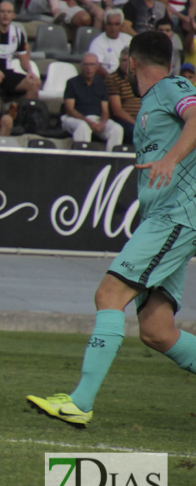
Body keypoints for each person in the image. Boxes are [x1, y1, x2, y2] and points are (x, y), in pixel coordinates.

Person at [27, 31, 196, 427]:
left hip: (175, 216)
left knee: (109, 293)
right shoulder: (156, 100)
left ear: (130, 63)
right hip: (165, 219)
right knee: (156, 330)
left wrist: (170, 159)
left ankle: (80, 401)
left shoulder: (174, 87)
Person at [59, 52, 125, 150]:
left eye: (92, 64)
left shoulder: (102, 84)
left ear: (97, 66)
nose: (89, 68)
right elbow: (69, 109)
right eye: (86, 64)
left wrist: (103, 122)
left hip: (96, 119)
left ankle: (111, 159)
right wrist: (89, 122)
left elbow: (105, 110)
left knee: (117, 129)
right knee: (83, 126)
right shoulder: (72, 83)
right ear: (81, 66)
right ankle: (82, 158)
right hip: (74, 119)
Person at [0, 1, 40, 98]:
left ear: (13, 15)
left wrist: (30, 72)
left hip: (7, 73)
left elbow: (23, 59)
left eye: (9, 12)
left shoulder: (17, 33)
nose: (5, 15)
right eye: (2, 11)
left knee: (33, 84)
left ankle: (22, 112)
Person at [106, 46, 139, 143]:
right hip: (124, 121)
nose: (127, 64)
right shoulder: (113, 79)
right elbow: (117, 110)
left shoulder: (140, 78)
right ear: (119, 61)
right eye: (124, 60)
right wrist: (135, 123)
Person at [88, 8, 134, 74]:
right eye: (110, 24)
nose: (113, 28)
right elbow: (96, 66)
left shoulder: (129, 39)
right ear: (105, 25)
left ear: (122, 26)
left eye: (116, 24)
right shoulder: (97, 42)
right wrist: (111, 79)